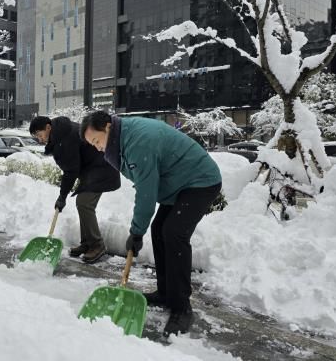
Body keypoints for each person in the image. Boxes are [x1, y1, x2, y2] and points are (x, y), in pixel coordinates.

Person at [80, 111, 222, 337]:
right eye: (93, 144)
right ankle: (165, 293)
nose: (97, 148)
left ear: (107, 127)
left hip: (200, 181)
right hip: (178, 183)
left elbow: (146, 192)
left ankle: (182, 307)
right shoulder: (122, 139)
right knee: (159, 230)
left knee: (174, 233)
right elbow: (144, 182)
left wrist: (136, 233)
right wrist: (139, 231)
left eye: (97, 141)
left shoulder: (138, 142)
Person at [29, 116, 121, 263]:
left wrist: (62, 197)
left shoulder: (64, 138)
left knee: (84, 203)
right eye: (37, 137)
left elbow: (71, 171)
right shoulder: (60, 134)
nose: (40, 139)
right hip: (93, 169)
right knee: (82, 203)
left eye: (40, 135)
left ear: (48, 127)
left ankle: (97, 245)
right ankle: (87, 243)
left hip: (102, 168)